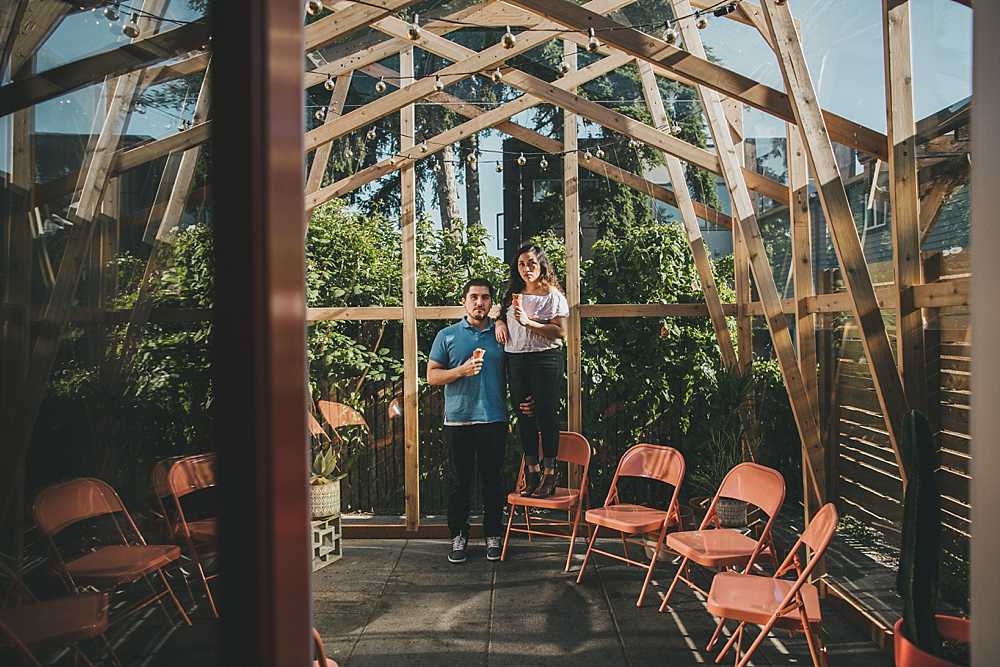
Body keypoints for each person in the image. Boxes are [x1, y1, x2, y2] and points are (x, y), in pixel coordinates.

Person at [428, 278, 507, 564]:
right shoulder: (447, 335)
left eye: (485, 298)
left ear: (491, 303)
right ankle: (459, 535)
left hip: (494, 419)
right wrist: (460, 371)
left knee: (493, 482)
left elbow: (519, 371)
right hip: (458, 421)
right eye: (473, 297)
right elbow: (432, 376)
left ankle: (493, 536)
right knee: (459, 483)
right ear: (464, 301)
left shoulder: (501, 335)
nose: (479, 303)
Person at [495, 243, 568, 500]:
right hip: (516, 360)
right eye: (522, 264)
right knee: (523, 414)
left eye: (532, 264)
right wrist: (499, 321)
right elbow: (503, 315)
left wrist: (528, 322)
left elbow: (560, 332)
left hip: (545, 359)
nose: (527, 269)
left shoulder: (553, 295)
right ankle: (532, 471)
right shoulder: (513, 294)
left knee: (546, 414)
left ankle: (550, 473)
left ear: (541, 266)